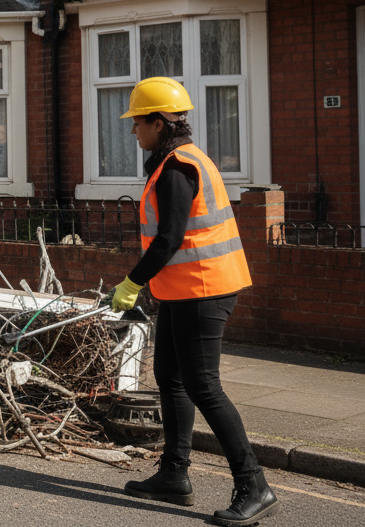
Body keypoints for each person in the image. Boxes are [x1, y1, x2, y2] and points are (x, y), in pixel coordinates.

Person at [111, 77, 279, 526]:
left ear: (160, 122)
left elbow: (168, 240)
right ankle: (174, 473)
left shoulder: (178, 168)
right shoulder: (176, 160)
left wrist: (131, 282)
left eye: (138, 123)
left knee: (203, 384)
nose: (133, 132)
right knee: (170, 376)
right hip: (183, 289)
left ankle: (254, 485)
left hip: (205, 289)